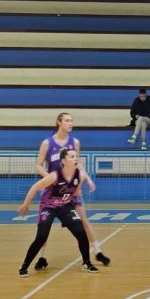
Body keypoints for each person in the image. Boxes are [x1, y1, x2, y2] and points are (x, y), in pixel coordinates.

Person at [33, 113, 110, 270]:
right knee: (45, 226)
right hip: (53, 190)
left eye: (71, 121)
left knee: (84, 221)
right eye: (67, 120)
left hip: (70, 188)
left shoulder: (74, 142)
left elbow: (77, 164)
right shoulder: (47, 143)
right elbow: (38, 165)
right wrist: (50, 178)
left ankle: (98, 252)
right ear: (59, 122)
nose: (70, 123)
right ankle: (42, 257)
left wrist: (87, 179)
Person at [17, 148, 99, 277]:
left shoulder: (80, 175)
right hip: (48, 207)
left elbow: (76, 191)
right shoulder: (54, 176)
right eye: (72, 156)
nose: (76, 158)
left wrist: (77, 197)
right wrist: (25, 205)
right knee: (41, 237)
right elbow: (35, 187)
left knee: (81, 232)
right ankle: (24, 267)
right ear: (63, 161)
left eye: (76, 156)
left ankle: (87, 263)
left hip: (66, 207)